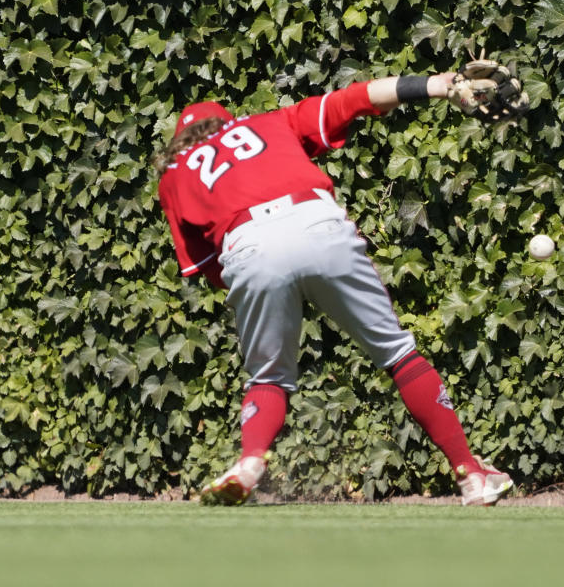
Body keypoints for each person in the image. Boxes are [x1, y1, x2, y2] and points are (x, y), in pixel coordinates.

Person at [153, 72, 513, 506]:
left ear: (181, 141)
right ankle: (471, 475)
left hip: (246, 244)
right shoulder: (269, 122)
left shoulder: (174, 175)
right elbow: (356, 98)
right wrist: (439, 84)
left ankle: (250, 462)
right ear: (230, 122)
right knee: (398, 354)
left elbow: (209, 268)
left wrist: (259, 284)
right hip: (313, 219)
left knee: (268, 376)